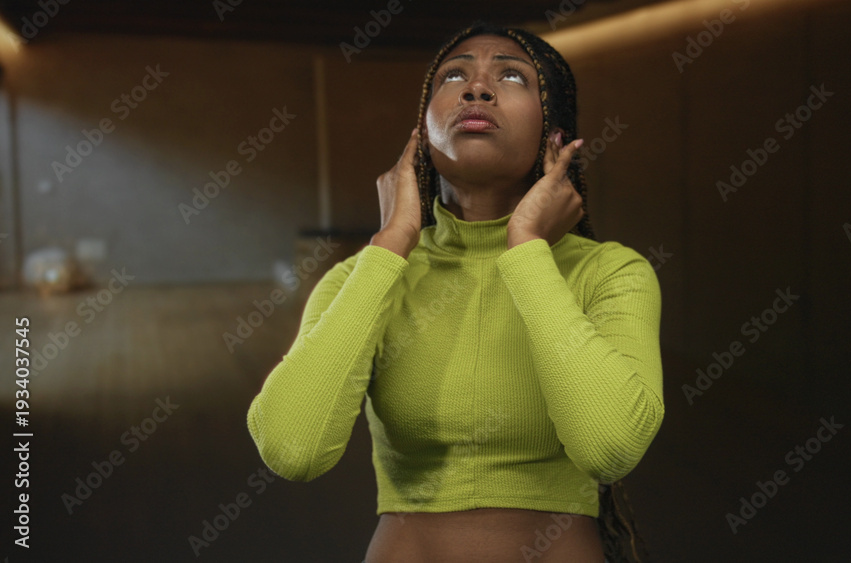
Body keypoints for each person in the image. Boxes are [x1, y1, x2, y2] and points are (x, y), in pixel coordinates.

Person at [246, 20, 664, 563]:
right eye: (454, 75)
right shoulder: (366, 277)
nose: (477, 87)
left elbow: (610, 446)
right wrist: (392, 243)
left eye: (511, 76)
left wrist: (526, 250)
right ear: (420, 133)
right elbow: (291, 448)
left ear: (554, 134)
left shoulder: (611, 273)